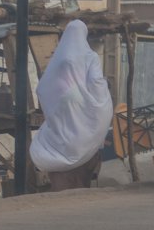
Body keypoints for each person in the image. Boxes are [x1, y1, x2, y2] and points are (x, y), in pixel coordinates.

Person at [30, 20, 114, 191]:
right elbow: (96, 82)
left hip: (63, 102)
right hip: (79, 100)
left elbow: (44, 87)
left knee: (63, 131)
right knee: (82, 131)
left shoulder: (59, 58)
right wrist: (101, 100)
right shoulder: (89, 56)